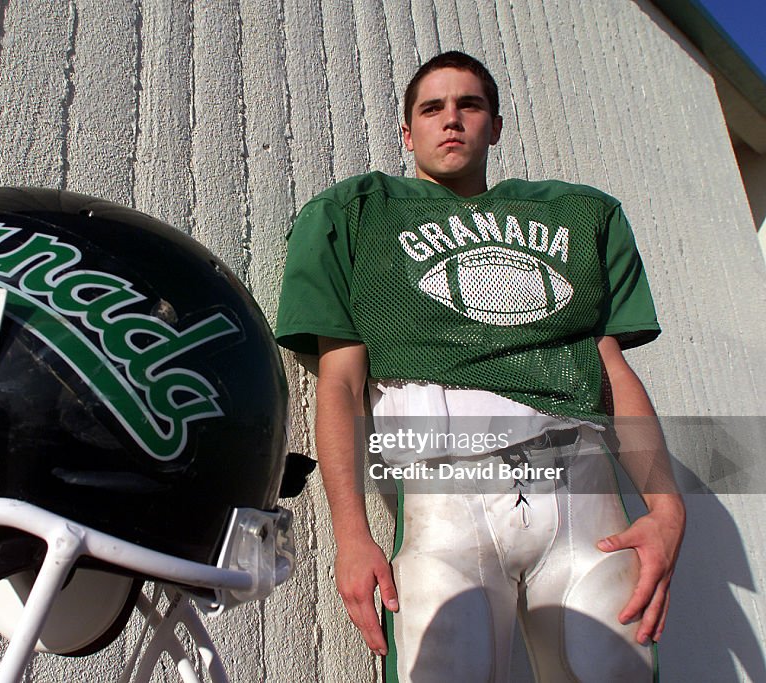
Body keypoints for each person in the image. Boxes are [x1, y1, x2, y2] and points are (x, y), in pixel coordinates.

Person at [275, 51, 685, 682]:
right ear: (407, 133)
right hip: (445, 498)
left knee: (609, 673)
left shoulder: (579, 213)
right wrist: (351, 537)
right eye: (432, 108)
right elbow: (342, 382)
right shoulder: (356, 213)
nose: (452, 120)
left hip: (581, 493)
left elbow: (610, 369)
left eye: (469, 105)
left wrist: (665, 506)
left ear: (494, 125)